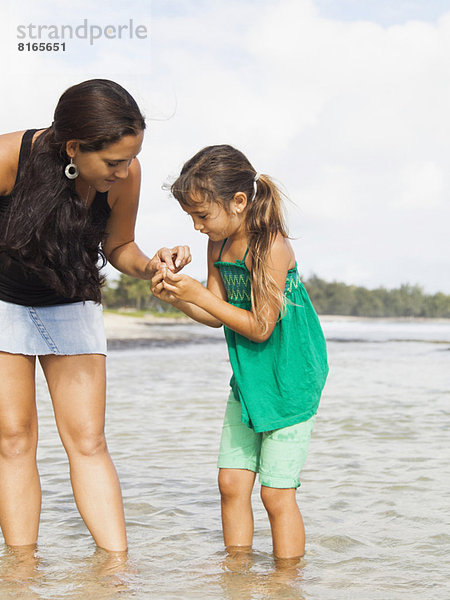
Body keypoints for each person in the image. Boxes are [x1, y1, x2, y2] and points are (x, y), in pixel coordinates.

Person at [0, 79, 190, 552]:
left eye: (131, 158)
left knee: (88, 441)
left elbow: (119, 245)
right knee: (13, 440)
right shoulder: (10, 157)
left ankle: (116, 571)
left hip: (72, 300)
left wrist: (150, 267)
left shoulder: (128, 175)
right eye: (113, 162)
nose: (125, 172)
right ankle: (23, 572)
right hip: (2, 301)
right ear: (73, 146)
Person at [151, 145, 328, 559]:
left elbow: (262, 327)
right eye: (191, 217)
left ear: (239, 201)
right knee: (230, 483)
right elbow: (217, 315)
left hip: (290, 378)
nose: (196, 227)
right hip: (249, 378)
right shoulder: (218, 244)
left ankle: (286, 583)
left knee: (276, 494)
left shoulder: (272, 247)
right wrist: (178, 296)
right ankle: (237, 573)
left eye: (202, 215)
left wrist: (197, 293)